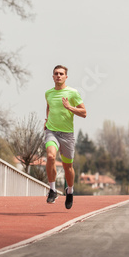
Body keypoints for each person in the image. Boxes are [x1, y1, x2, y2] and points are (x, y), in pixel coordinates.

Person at [44, 65, 87, 209]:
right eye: (56, 73)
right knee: (50, 157)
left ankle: (70, 191)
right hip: (51, 131)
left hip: (67, 135)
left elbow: (84, 112)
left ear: (66, 77)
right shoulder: (48, 93)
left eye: (61, 74)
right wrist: (47, 120)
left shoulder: (73, 93)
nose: (58, 76)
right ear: (52, 76)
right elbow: (49, 106)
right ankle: (52, 189)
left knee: (68, 167)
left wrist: (69, 107)